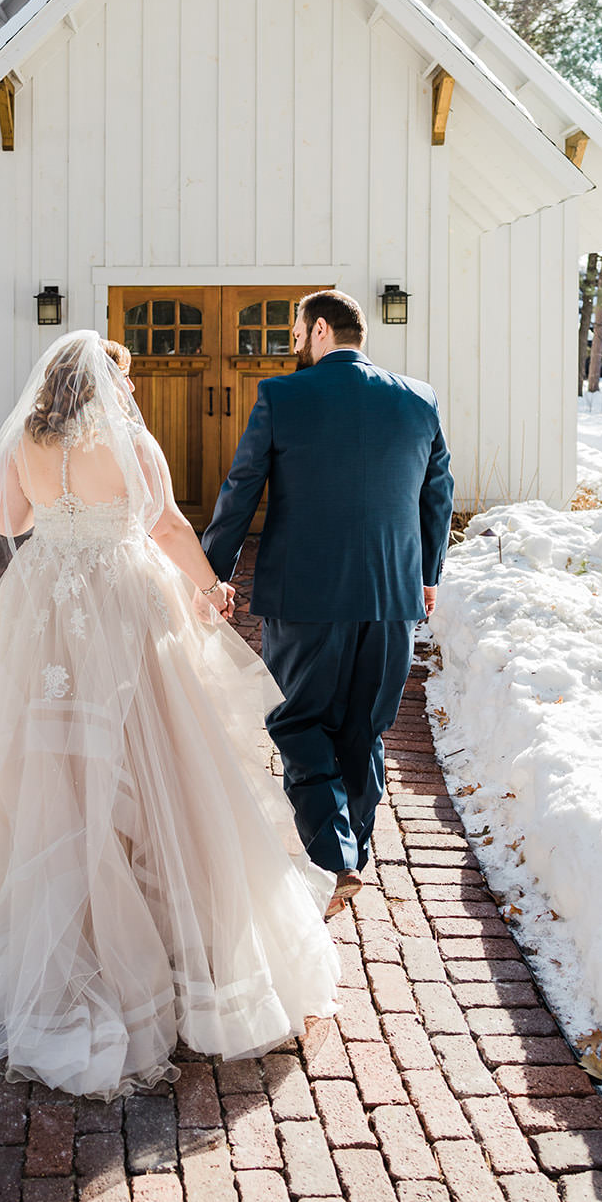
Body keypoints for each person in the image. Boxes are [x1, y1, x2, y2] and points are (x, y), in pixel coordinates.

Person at [0, 331, 339, 1100]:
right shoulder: (129, 439)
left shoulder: (28, 436)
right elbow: (162, 524)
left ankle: (33, 930)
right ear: (108, 383)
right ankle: (169, 946)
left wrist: (54, 507)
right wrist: (206, 588)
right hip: (123, 601)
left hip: (43, 605)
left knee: (40, 757)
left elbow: (6, 523)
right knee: (154, 755)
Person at [202, 290, 454, 922]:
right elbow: (437, 494)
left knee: (297, 721)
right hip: (392, 596)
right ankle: (353, 856)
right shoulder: (419, 398)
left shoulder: (282, 397)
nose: (292, 341)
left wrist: (212, 572)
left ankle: (335, 858)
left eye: (294, 329)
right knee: (363, 727)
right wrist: (426, 575)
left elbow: (242, 491)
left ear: (317, 329)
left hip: (305, 594)